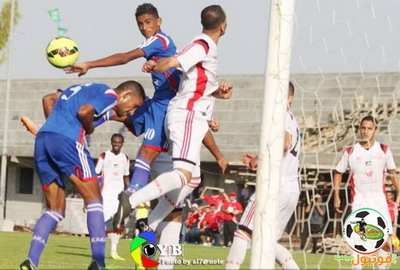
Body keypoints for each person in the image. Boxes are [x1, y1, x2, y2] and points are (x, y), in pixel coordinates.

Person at [113, 4, 233, 228]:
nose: (144, 27)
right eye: (142, 24)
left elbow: (189, 81)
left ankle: (148, 223)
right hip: (185, 116)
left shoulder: (206, 51)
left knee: (191, 180)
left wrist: (219, 93)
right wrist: (159, 65)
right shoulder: (202, 45)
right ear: (224, 26)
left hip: (190, 118)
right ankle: (132, 199)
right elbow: (173, 61)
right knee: (182, 176)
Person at [19, 81, 145, 270]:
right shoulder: (110, 95)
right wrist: (89, 128)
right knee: (95, 201)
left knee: (55, 209)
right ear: (126, 95)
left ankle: (31, 261)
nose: (129, 111)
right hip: (69, 142)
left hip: (43, 140)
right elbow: (85, 112)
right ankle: (98, 262)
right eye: (133, 106)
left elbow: (48, 99)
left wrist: (55, 126)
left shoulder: (81, 90)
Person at [65, 3, 181, 203]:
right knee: (122, 112)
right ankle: (73, 130)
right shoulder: (156, 46)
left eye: (148, 22)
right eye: (140, 24)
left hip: (168, 108)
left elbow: (125, 57)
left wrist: (89, 64)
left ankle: (131, 196)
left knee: (163, 203)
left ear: (159, 21)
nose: (144, 27)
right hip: (158, 105)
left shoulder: (159, 40)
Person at [226, 82, 301, 269]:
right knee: (267, 242)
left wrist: (259, 159)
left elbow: (284, 144)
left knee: (243, 231)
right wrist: (259, 159)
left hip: (274, 187)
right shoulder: (293, 119)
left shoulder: (283, 115)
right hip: (291, 189)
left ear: (290, 98)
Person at [333, 115, 400, 267]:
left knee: (386, 246)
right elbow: (338, 172)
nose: (366, 131)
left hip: (380, 205)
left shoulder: (383, 150)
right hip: (359, 206)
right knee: (360, 247)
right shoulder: (351, 151)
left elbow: (393, 172)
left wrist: (399, 192)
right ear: (359, 130)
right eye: (363, 128)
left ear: (375, 131)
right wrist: (336, 196)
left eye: (369, 128)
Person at [95, 133, 130, 261]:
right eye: (114, 142)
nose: (116, 144)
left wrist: (129, 190)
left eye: (119, 142)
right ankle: (99, 251)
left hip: (119, 196)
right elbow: (96, 174)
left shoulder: (125, 158)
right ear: (111, 142)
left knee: (118, 224)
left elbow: (126, 176)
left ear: (122, 144)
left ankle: (114, 252)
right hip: (105, 195)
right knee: (102, 224)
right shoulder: (104, 156)